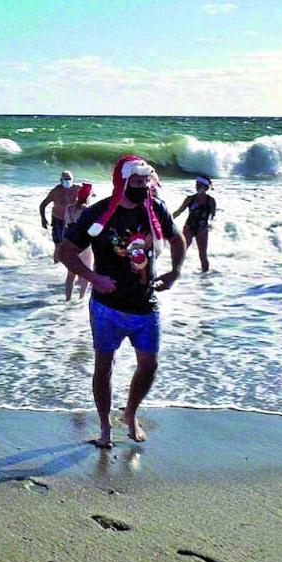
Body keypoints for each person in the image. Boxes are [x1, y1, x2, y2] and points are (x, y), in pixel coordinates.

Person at [57, 155, 185, 449]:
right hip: (106, 307)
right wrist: (92, 277)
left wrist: (175, 272)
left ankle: (130, 413)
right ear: (123, 182)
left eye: (146, 182)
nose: (143, 187)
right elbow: (66, 251)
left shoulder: (155, 209)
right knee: (104, 366)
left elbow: (177, 239)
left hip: (145, 304)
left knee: (149, 365)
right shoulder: (101, 214)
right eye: (137, 182)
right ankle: (104, 426)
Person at [173, 177, 217, 273]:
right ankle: (175, 271)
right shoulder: (190, 199)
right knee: (182, 250)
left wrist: (209, 225)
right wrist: (167, 220)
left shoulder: (211, 201)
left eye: (200, 185)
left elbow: (212, 216)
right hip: (189, 227)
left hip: (202, 229)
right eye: (197, 184)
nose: (197, 187)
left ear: (206, 187)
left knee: (202, 254)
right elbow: (178, 212)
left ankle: (205, 274)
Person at [62, 181, 94, 301]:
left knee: (71, 274)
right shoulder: (90, 211)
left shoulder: (69, 209)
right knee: (86, 273)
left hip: (71, 242)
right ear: (88, 196)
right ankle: (81, 299)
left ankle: (68, 299)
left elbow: (66, 225)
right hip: (85, 245)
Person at [40, 171, 80, 255]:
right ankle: (56, 265)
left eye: (69, 179)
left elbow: (90, 194)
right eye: (65, 179)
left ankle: (67, 266)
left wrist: (89, 193)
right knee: (58, 245)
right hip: (58, 220)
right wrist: (43, 219)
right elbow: (43, 205)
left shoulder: (77, 189)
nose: (67, 181)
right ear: (61, 180)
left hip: (71, 221)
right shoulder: (56, 191)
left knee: (71, 246)